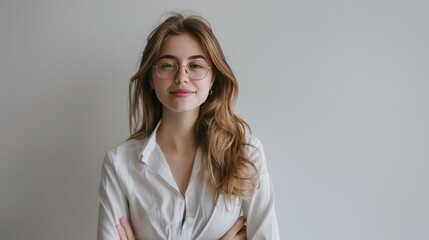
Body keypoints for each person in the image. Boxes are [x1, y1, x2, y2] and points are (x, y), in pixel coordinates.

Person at [97, 13, 279, 240]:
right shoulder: (119, 164)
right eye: (168, 65)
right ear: (151, 79)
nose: (181, 77)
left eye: (195, 65)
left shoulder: (245, 153)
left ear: (212, 78)